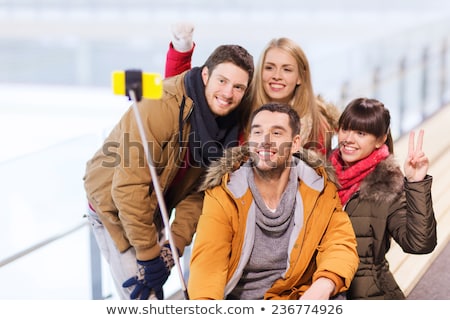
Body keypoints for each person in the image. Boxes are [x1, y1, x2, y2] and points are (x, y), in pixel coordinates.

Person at [83, 44, 254, 300]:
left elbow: (197, 194)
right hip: (114, 208)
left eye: (238, 87)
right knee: (143, 299)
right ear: (206, 75)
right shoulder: (160, 105)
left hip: (152, 210)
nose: (228, 93)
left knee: (155, 292)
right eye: (222, 80)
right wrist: (149, 255)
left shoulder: (226, 128)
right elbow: (128, 188)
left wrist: (172, 246)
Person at [187, 102, 359, 300]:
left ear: (295, 144)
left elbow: (339, 242)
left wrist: (325, 283)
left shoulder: (319, 188)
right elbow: (208, 265)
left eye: (277, 133)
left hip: (299, 296)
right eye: (257, 132)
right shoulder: (225, 194)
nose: (264, 141)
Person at [165, 23, 340, 155]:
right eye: (269, 67)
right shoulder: (240, 107)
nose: (276, 75)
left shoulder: (317, 125)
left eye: (287, 69)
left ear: (300, 76)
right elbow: (188, 96)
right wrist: (181, 51)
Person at [329, 97, 437, 299]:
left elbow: (419, 244)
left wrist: (415, 184)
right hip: (320, 290)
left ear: (380, 139)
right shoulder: (322, 174)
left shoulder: (387, 186)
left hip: (368, 294)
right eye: (345, 129)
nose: (348, 139)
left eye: (361, 133)